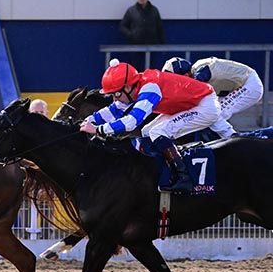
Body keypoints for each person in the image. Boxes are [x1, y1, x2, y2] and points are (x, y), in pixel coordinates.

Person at [80, 59, 232, 192]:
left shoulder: (150, 88)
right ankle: (160, 171)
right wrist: (89, 120)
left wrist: (99, 130)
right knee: (147, 131)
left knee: (158, 131)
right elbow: (114, 110)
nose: (115, 98)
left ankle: (183, 176)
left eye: (117, 94)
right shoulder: (135, 85)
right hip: (191, 103)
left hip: (205, 105)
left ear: (127, 87)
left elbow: (131, 122)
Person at [162, 56, 264, 139]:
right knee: (208, 113)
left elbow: (194, 90)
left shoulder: (201, 69)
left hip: (249, 84)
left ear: (185, 74)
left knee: (214, 114)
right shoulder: (196, 71)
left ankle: (234, 138)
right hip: (240, 85)